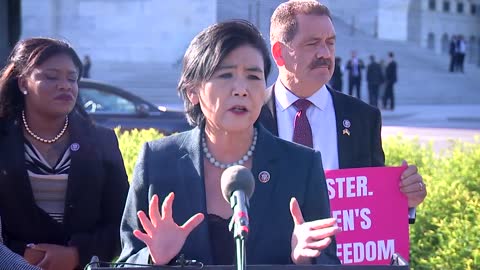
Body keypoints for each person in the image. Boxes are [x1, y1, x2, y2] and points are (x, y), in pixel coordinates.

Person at [117, 20, 340, 266]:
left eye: (253, 76)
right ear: (193, 90)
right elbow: (126, 260)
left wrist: (305, 261)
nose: (241, 89)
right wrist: (152, 258)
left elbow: (329, 261)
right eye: (225, 75)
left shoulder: (301, 165)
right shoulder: (158, 161)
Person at [259, 0, 426, 221]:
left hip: (342, 253)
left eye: (330, 43)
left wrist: (405, 199)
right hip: (271, 254)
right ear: (280, 53)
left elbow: (372, 204)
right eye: (313, 43)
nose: (325, 54)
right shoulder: (252, 115)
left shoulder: (363, 118)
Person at [0, 37, 129, 270]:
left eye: (72, 78)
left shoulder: (102, 142)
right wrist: (20, 255)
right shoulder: (3, 141)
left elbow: (122, 221)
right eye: (51, 77)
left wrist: (78, 254)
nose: (65, 85)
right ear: (22, 84)